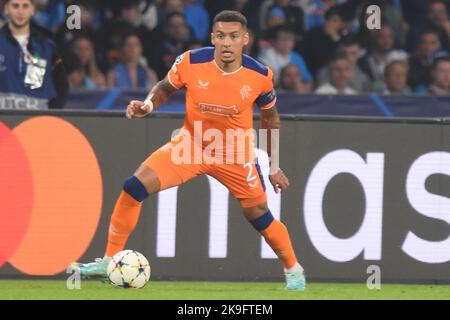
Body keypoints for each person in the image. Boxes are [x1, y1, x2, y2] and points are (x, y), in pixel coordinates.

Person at [70, 10, 306, 291]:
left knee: (260, 216)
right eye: (220, 36)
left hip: (235, 154)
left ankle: (293, 269)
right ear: (212, 38)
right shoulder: (191, 61)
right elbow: (165, 88)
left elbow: (270, 118)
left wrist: (274, 165)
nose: (226, 43)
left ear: (245, 39)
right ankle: (108, 262)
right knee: (133, 187)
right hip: (190, 146)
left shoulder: (260, 75)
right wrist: (148, 105)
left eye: (233, 37)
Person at [0, 0, 68, 109]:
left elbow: (62, 85)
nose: (20, 11)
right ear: (6, 9)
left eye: (25, 6)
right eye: (15, 6)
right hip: (3, 122)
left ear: (33, 9)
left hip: (37, 123)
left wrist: (52, 114)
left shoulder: (47, 46)